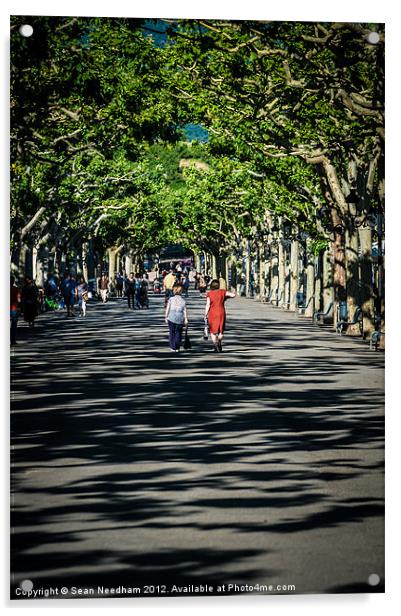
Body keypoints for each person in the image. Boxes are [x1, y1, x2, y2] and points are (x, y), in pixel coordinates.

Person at [204, 279, 236, 352]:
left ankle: (215, 345)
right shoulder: (222, 292)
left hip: (212, 313)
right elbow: (233, 295)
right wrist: (230, 294)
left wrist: (205, 314)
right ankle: (219, 341)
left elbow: (208, 305)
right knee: (221, 330)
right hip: (221, 312)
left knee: (213, 331)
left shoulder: (210, 294)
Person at [165, 283, 188, 352]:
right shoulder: (183, 301)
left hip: (171, 317)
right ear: (181, 292)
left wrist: (166, 316)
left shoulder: (171, 299)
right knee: (178, 332)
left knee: (171, 332)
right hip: (180, 318)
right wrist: (186, 319)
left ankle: (172, 346)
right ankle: (177, 345)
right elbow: (185, 311)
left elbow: (168, 308)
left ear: (174, 291)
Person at [10, 275, 21, 345]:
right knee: (13, 325)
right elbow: (19, 300)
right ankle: (13, 340)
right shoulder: (16, 289)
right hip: (13, 308)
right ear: (13, 281)